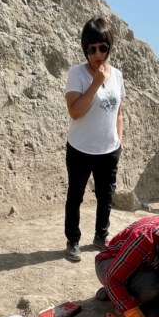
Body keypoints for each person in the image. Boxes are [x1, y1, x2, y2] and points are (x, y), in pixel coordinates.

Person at [63, 17, 126, 263]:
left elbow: (119, 111)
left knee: (106, 196)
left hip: (108, 149)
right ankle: (73, 241)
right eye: (92, 48)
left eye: (103, 47)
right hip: (80, 148)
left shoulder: (118, 75)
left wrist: (118, 140)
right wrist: (96, 83)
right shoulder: (77, 74)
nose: (98, 54)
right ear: (85, 48)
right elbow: (75, 111)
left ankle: (101, 236)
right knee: (75, 196)